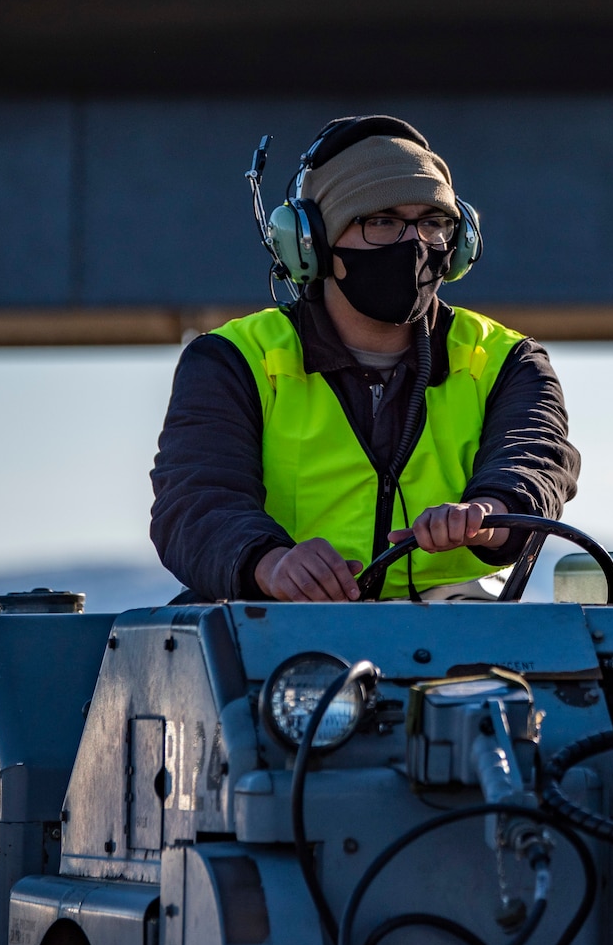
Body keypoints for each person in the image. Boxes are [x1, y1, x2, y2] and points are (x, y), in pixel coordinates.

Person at [150, 116, 579, 601]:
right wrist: (270, 563)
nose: (414, 243)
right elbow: (194, 501)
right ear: (312, 242)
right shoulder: (232, 361)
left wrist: (487, 515)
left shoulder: (509, 362)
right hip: (276, 645)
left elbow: (534, 461)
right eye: (381, 222)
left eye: (433, 223)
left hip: (456, 652)